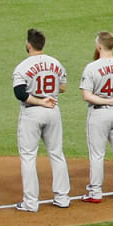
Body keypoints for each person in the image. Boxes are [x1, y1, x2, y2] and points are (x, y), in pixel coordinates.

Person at [13, 28, 71, 212]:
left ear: (28, 45)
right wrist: (49, 93)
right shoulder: (56, 63)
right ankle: (63, 198)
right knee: (56, 153)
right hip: (53, 110)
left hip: (32, 112)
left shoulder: (22, 66)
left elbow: (20, 93)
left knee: (29, 157)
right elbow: (62, 87)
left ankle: (30, 203)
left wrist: (39, 99)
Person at [78, 31, 113, 202]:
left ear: (99, 46)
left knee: (97, 154)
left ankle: (95, 193)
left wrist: (105, 100)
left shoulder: (92, 67)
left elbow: (86, 95)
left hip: (99, 113)